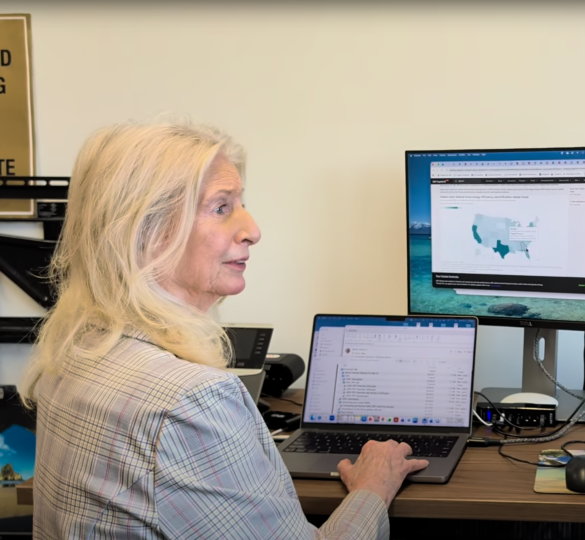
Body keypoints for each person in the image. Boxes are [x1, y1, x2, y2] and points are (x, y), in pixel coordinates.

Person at [21, 120, 427, 539]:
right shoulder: (192, 401)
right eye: (221, 207)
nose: (253, 230)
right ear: (146, 231)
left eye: (240, 203)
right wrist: (372, 488)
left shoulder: (73, 355)